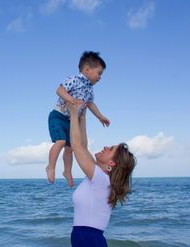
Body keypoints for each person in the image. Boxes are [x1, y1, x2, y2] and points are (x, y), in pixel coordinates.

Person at [67, 101, 136, 247]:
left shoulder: (101, 180)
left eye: (110, 149)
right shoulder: (100, 178)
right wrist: (83, 116)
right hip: (86, 239)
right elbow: (83, 146)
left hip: (89, 240)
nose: (105, 147)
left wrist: (73, 114)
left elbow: (77, 146)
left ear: (111, 163)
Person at [46, 51, 110, 187]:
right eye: (99, 73)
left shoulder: (90, 90)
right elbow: (59, 90)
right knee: (61, 141)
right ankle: (51, 167)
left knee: (70, 148)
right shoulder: (74, 80)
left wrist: (100, 116)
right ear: (87, 70)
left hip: (70, 120)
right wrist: (71, 100)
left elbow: (90, 104)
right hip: (58, 116)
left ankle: (67, 172)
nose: (100, 77)